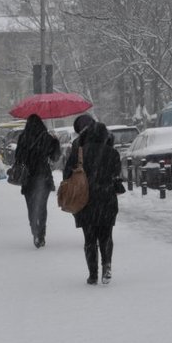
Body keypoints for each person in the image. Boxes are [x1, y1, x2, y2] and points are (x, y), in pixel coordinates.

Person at [63, 122, 121, 285]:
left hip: (85, 200)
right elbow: (116, 175)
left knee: (89, 239)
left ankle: (93, 274)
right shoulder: (112, 153)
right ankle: (107, 265)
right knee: (106, 236)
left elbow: (66, 175)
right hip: (106, 199)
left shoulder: (79, 153)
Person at [14, 114, 61, 248]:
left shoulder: (23, 137)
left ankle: (34, 230)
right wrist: (56, 142)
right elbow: (55, 157)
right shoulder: (46, 138)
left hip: (27, 177)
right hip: (42, 176)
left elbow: (17, 157)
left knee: (31, 206)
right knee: (41, 207)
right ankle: (41, 234)